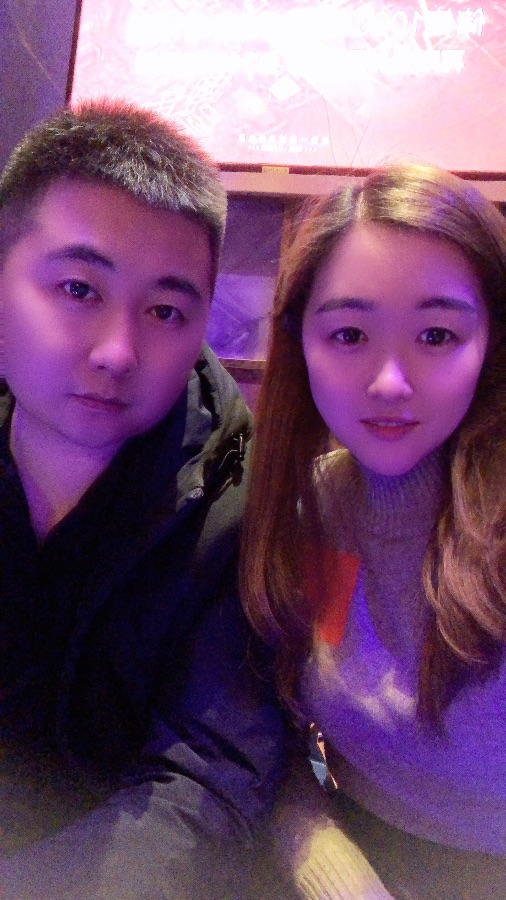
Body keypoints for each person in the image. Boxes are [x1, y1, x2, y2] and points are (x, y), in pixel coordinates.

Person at [0, 100, 286, 899]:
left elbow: (208, 769)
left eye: (165, 311)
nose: (119, 352)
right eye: (78, 288)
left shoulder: (240, 505)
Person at [241, 163, 506, 899]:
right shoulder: (307, 509)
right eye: (350, 333)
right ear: (301, 342)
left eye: (437, 334)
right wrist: (335, 874)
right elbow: (280, 742)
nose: (390, 382)